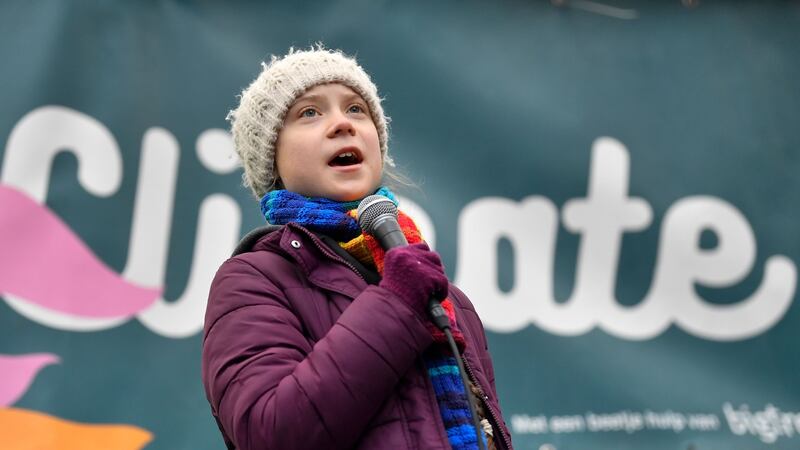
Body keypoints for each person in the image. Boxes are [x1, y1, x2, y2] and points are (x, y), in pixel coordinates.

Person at [201, 46, 513, 450]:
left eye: (356, 110)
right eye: (309, 113)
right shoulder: (253, 279)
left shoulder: (448, 299)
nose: (341, 125)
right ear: (271, 161)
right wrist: (397, 307)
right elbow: (268, 433)